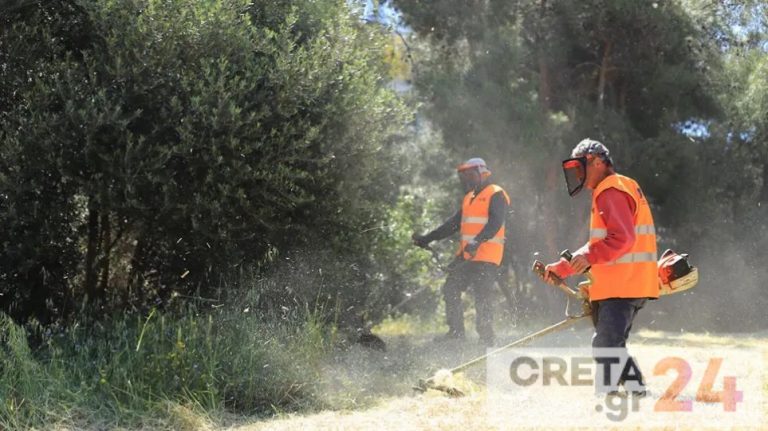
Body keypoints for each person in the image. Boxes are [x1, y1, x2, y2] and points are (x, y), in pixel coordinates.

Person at [540, 138, 658, 396]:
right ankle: (628, 391)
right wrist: (563, 268)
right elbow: (600, 244)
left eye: (582, 167)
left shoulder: (610, 190)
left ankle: (610, 393)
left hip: (622, 285)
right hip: (628, 283)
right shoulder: (623, 185)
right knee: (612, 343)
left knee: (606, 342)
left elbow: (622, 239)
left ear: (598, 161)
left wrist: (588, 257)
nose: (579, 175)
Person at [412, 158, 510, 347]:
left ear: (483, 173)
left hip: (487, 257)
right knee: (451, 288)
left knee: (482, 297)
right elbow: (452, 225)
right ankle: (456, 332)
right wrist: (427, 238)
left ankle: (486, 339)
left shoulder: (496, 194)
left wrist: (476, 241)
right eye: (465, 176)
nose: (468, 179)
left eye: (471, 175)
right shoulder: (468, 198)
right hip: (467, 256)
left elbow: (495, 223)